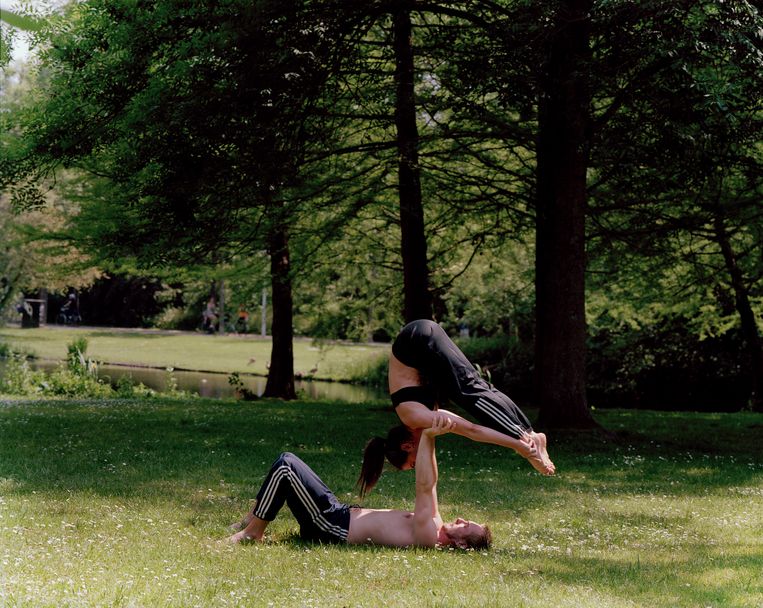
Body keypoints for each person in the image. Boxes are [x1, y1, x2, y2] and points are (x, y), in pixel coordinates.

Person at [228, 414, 491, 550]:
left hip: (331, 527)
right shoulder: (434, 522)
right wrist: (429, 434)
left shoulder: (427, 537)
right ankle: (253, 518)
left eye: (466, 526)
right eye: (466, 519)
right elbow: (431, 483)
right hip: (338, 512)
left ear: (462, 544)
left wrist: (429, 435)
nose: (461, 518)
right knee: (287, 461)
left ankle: (253, 532)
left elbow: (423, 486)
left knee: (287, 466)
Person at [358, 319, 554, 497]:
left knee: (469, 392)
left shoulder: (414, 418)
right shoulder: (419, 417)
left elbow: (472, 431)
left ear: (407, 446)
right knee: (477, 386)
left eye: (414, 463)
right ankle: (531, 435)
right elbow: (469, 427)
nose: (419, 464)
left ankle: (526, 441)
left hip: (417, 341)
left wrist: (518, 446)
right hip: (420, 334)